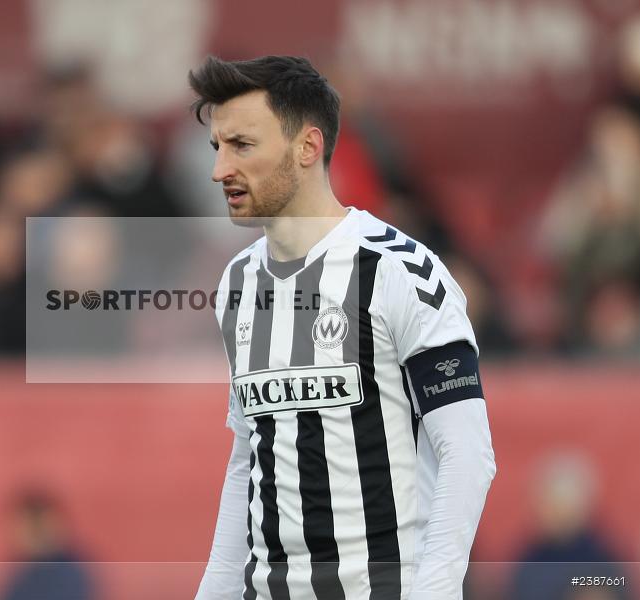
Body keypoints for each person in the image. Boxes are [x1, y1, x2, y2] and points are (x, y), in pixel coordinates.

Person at [189, 56, 496, 600]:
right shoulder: (237, 283)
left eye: (242, 146)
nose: (220, 170)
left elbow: (467, 455)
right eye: (218, 148)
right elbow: (248, 463)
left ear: (308, 147)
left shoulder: (400, 271)